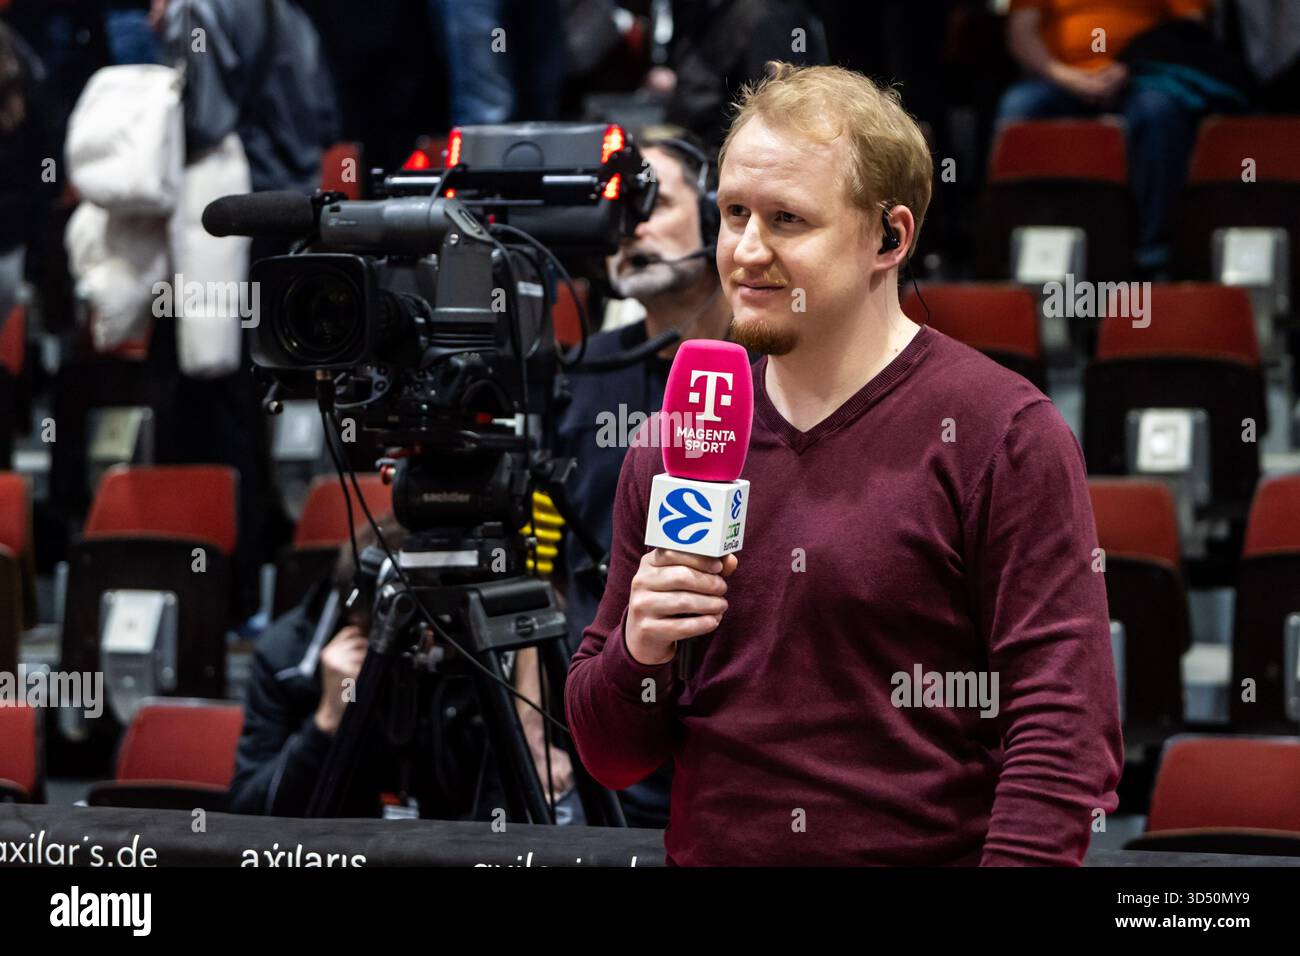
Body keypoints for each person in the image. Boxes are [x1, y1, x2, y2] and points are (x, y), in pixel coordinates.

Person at [565, 62, 1123, 865]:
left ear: (889, 237)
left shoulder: (1002, 432)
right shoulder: (678, 437)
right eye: (732, 213)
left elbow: (1061, 736)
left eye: (787, 219)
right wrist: (637, 653)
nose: (746, 251)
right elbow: (613, 754)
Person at [550, 131, 734, 827]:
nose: (632, 225)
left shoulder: (779, 368)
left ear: (717, 214)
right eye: (617, 209)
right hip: (608, 713)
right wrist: (534, 719)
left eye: (651, 200)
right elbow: (545, 559)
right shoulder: (581, 369)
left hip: (727, 724)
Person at [996, 0, 1210, 273]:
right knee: (1018, 108)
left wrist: (1131, 64)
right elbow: (1021, 32)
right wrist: (1065, 76)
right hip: (1058, 78)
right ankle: (1020, 254)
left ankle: (1155, 257)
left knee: (1159, 113)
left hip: (1143, 75)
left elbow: (1191, 25)